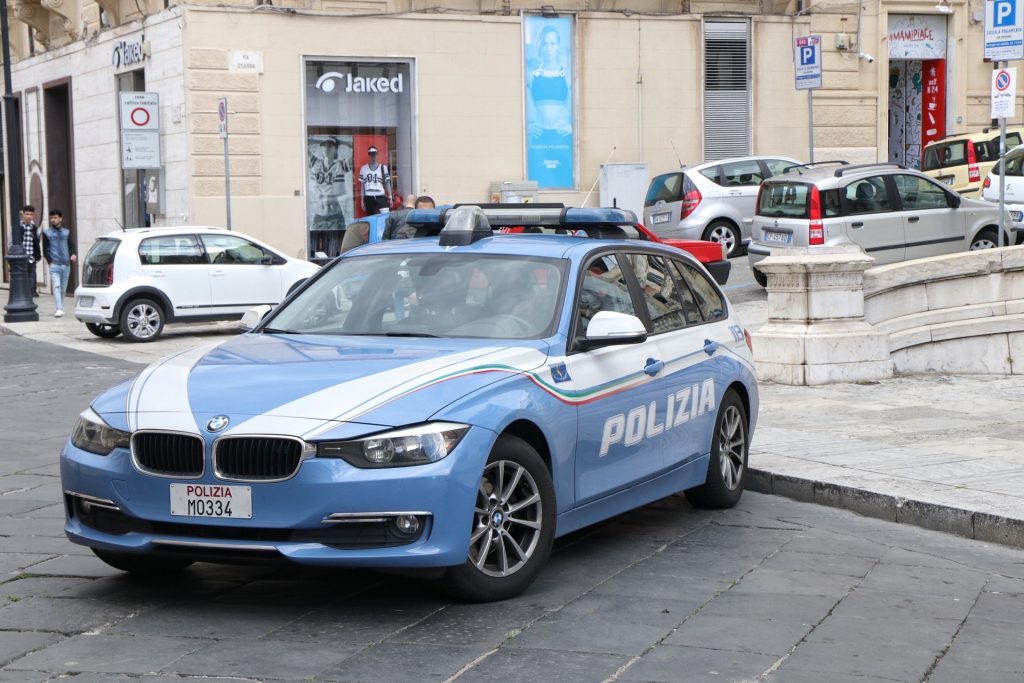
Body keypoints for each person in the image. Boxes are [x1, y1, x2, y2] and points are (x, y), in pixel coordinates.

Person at [526, 25, 573, 187]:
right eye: (545, 44)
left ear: (558, 46)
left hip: (561, 139)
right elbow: (518, 106)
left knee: (562, 183)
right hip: (539, 139)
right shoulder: (531, 76)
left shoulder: (566, 76)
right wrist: (527, 127)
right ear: (540, 45)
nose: (549, 48)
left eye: (552, 44)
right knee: (538, 185)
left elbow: (576, 108)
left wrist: (572, 127)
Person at [309, 138, 352, 231]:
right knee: (315, 242)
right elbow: (305, 143)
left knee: (337, 243)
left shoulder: (340, 166)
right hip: (319, 215)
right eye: (324, 145)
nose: (326, 148)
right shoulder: (316, 164)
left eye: (330, 146)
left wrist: (342, 142)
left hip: (335, 215)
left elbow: (356, 152)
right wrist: (320, 141)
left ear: (335, 149)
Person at [41, 209, 77, 317]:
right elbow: (45, 250)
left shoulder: (67, 232)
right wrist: (50, 262)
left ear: (60, 218)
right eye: (51, 218)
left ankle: (60, 306)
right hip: (55, 264)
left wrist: (73, 254)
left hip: (66, 265)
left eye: (55, 217)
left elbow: (72, 246)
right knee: (56, 286)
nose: (53, 220)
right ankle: (59, 308)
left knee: (62, 288)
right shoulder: (46, 233)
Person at [358, 146, 392, 215]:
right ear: (369, 155)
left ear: (377, 154)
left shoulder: (383, 168)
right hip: (369, 196)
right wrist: (362, 201)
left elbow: (387, 183)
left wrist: (390, 197)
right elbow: (362, 186)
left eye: (374, 153)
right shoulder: (363, 169)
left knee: (385, 216)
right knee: (371, 217)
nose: (373, 156)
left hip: (380, 195)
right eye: (371, 154)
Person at [18, 205, 41, 297]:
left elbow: (36, 242)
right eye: (27, 214)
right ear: (23, 214)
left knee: (32, 276)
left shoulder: (34, 228)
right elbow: (10, 242)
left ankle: (31, 292)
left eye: (31, 214)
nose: (29, 216)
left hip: (31, 257)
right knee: (21, 277)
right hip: (20, 257)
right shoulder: (17, 227)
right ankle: (22, 293)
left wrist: (37, 256)